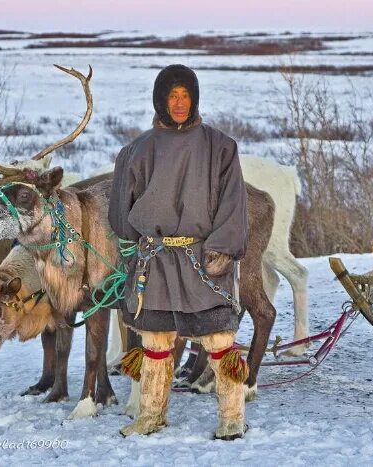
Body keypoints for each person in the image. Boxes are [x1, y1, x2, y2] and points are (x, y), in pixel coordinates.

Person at [108, 64, 249, 440]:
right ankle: (151, 415)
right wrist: (133, 249)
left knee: (219, 342)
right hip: (153, 261)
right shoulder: (136, 150)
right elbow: (121, 215)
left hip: (204, 258)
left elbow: (234, 204)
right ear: (160, 99)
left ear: (195, 97)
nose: (180, 103)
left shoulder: (220, 147)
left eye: (186, 95)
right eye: (172, 96)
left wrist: (222, 248)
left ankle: (232, 417)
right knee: (154, 342)